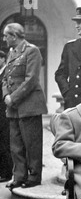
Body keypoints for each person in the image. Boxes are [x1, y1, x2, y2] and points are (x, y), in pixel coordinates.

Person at [2, 23, 47, 189]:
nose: (4, 39)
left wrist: (12, 98)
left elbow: (31, 80)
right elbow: (6, 77)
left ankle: (34, 177)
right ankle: (19, 176)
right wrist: (6, 95)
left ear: (14, 36)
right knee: (16, 145)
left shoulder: (32, 51)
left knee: (31, 144)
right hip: (13, 107)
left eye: (6, 36)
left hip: (29, 105)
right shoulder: (12, 52)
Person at [0, 50, 13, 182]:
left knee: (5, 142)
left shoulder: (7, 71)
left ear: (3, 59)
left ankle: (6, 173)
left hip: (4, 112)